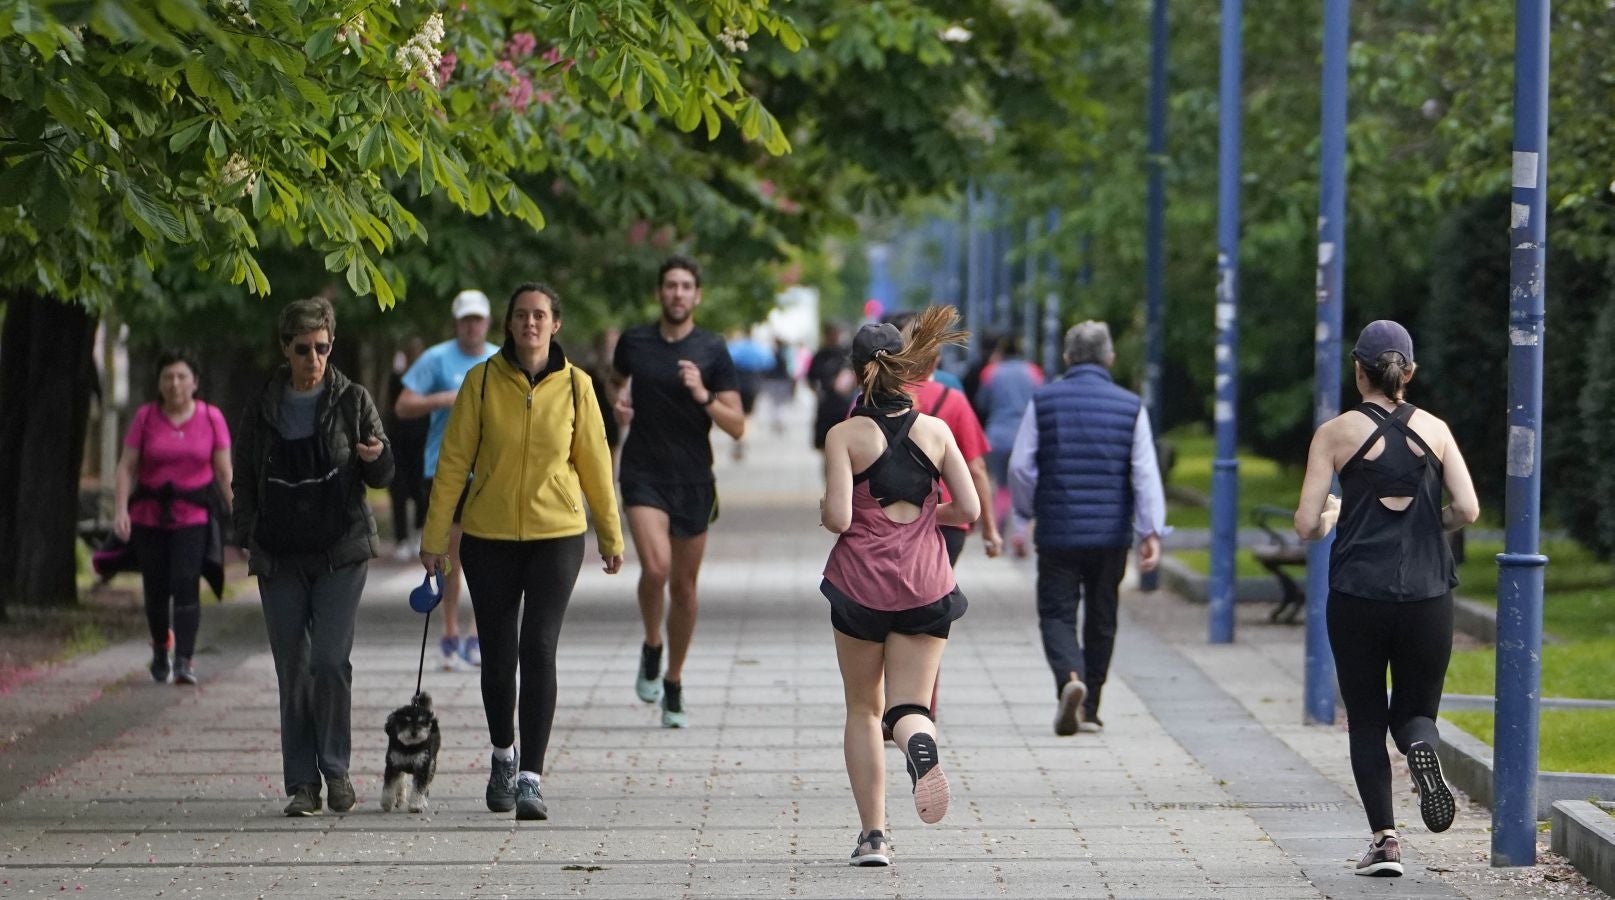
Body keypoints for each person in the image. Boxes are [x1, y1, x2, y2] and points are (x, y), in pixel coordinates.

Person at [421, 283, 624, 821]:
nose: (530, 323)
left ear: (555, 324)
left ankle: (531, 777)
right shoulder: (480, 382)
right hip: (487, 537)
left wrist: (610, 534)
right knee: (499, 653)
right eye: (521, 316)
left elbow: (595, 463)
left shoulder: (578, 386)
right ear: (507, 325)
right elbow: (451, 464)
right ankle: (502, 756)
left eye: (540, 315)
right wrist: (435, 537)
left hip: (557, 534)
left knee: (538, 647)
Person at [1293, 319, 1478, 878]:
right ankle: (1422, 748)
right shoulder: (1437, 430)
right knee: (1417, 710)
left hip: (1357, 594)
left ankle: (1385, 841)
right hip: (1427, 595)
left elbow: (1305, 525)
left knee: (1367, 718)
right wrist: (1426, 524)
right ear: (1410, 371)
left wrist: (1332, 513)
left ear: (1358, 371)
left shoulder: (1334, 433)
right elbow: (1467, 510)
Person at [819, 308, 980, 867]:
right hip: (926, 584)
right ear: (906, 371)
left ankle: (875, 838)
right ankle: (919, 740)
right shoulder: (935, 431)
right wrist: (926, 517)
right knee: (908, 704)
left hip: (860, 587)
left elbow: (840, 517)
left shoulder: (845, 435)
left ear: (857, 372)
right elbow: (971, 508)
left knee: (863, 709)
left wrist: (827, 508)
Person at [233, 297, 393, 817]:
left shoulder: (352, 400)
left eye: (322, 348)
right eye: (303, 349)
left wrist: (377, 458)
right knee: (293, 669)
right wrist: (246, 533)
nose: (314, 358)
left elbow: (382, 470)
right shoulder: (262, 406)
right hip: (280, 554)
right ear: (286, 349)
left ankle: (337, 768)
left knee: (328, 660)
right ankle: (303, 784)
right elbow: (244, 479)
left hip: (339, 549)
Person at [1008, 321, 1168, 737]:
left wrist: (1025, 512)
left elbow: (1022, 467)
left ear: (1066, 358)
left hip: (1059, 530)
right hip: (1110, 534)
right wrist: (1151, 532)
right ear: (1110, 358)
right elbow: (1145, 474)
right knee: (1103, 615)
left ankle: (1069, 677)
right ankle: (1091, 705)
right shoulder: (1130, 406)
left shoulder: (1042, 402)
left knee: (1057, 612)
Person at [612, 255, 744, 727]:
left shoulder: (712, 349)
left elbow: (737, 425)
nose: (678, 293)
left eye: (687, 286)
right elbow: (617, 383)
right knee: (656, 566)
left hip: (693, 478)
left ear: (697, 295)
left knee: (685, 589)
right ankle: (652, 643)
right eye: (670, 285)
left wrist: (703, 394)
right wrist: (620, 403)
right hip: (643, 472)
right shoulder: (634, 342)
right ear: (659, 292)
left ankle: (674, 679)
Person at [113, 349, 233, 685]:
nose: (175, 383)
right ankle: (160, 648)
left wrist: (243, 518)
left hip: (192, 516)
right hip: (149, 517)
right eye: (168, 377)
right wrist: (121, 510)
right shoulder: (146, 417)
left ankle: (184, 660)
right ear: (159, 383)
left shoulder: (211, 418)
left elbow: (225, 474)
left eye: (181, 377)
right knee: (155, 590)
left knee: (185, 583)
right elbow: (126, 467)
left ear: (194, 383)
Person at [395, 290, 500, 671]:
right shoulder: (436, 358)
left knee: (488, 560)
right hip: (443, 469)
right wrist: (442, 400)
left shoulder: (499, 359)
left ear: (488, 322)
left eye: (478, 319)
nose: (472, 325)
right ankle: (450, 631)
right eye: (466, 319)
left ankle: (477, 635)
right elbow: (403, 405)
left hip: (490, 471)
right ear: (457, 323)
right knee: (450, 558)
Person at [975, 336, 1045, 557]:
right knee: (1022, 486)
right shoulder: (1033, 372)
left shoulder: (991, 372)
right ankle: (1020, 533)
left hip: (996, 436)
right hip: (1025, 437)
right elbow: (1042, 400)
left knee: (1002, 486)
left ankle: (996, 532)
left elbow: (982, 403)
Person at [386, 337, 429, 560]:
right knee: (399, 491)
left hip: (421, 441)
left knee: (421, 490)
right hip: (399, 440)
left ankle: (419, 533)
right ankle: (402, 538)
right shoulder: (398, 378)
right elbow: (393, 403)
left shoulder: (428, 380)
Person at [808, 322, 855, 453]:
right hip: (826, 404)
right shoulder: (820, 355)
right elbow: (811, 378)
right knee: (824, 445)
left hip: (844, 404)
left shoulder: (846, 354)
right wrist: (818, 393)